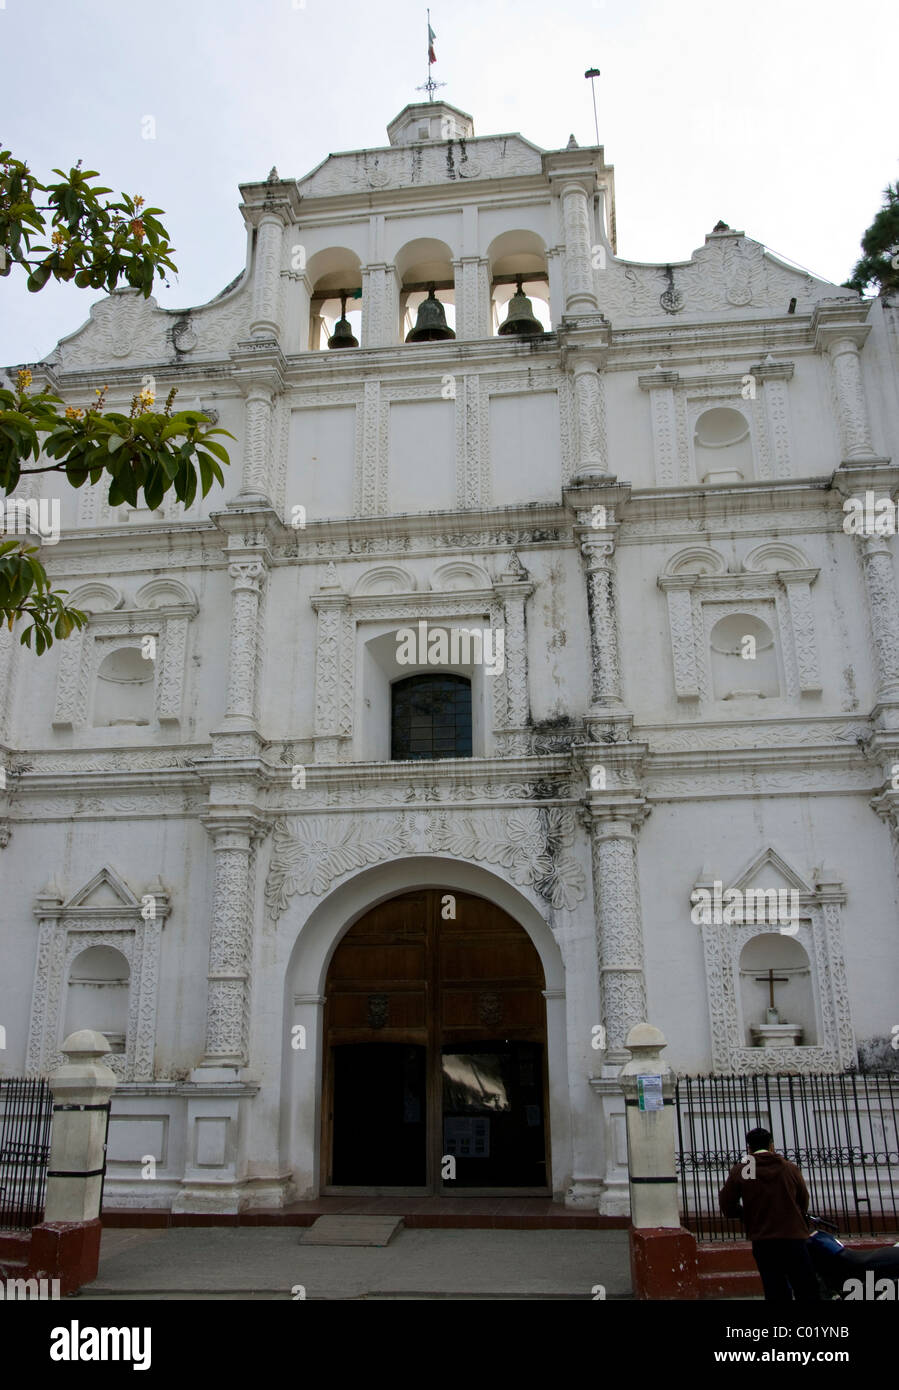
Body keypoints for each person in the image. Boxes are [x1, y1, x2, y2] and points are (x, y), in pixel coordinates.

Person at [719, 1126, 820, 1302]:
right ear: (771, 1145)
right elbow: (803, 1199)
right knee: (805, 1286)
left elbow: (727, 1205)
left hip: (763, 1238)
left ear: (749, 1148)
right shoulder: (789, 1168)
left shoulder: (743, 1170)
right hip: (793, 1236)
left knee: (775, 1287)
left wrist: (745, 1215)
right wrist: (797, 1216)